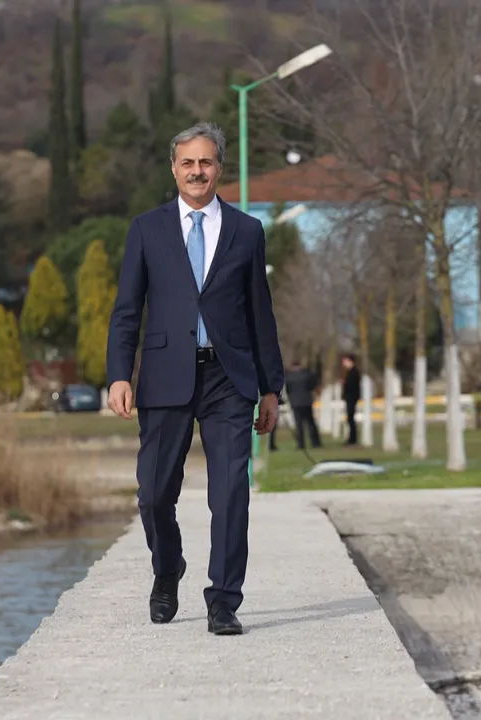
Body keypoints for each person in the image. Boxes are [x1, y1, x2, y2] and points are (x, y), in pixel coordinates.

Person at [105, 122, 284, 637]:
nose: (197, 171)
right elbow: (126, 310)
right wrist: (119, 375)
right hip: (164, 375)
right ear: (173, 169)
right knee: (153, 494)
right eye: (188, 162)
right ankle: (168, 569)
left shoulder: (247, 231)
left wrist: (271, 387)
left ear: (219, 168)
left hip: (230, 378)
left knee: (230, 494)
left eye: (206, 162)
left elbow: (260, 313)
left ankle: (223, 600)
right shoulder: (147, 229)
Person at [284, 358, 322, 449]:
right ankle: (315, 442)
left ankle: (301, 444)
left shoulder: (289, 376)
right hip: (306, 401)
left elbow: (287, 389)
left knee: (298, 424)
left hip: (295, 402)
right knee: (310, 422)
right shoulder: (307, 374)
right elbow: (313, 385)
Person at [341, 353, 361, 446]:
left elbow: (352, 385)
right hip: (350, 397)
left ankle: (352, 439)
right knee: (349, 418)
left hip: (351, 397)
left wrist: (345, 384)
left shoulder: (354, 372)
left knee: (351, 418)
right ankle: (351, 438)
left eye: (344, 361)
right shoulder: (350, 372)